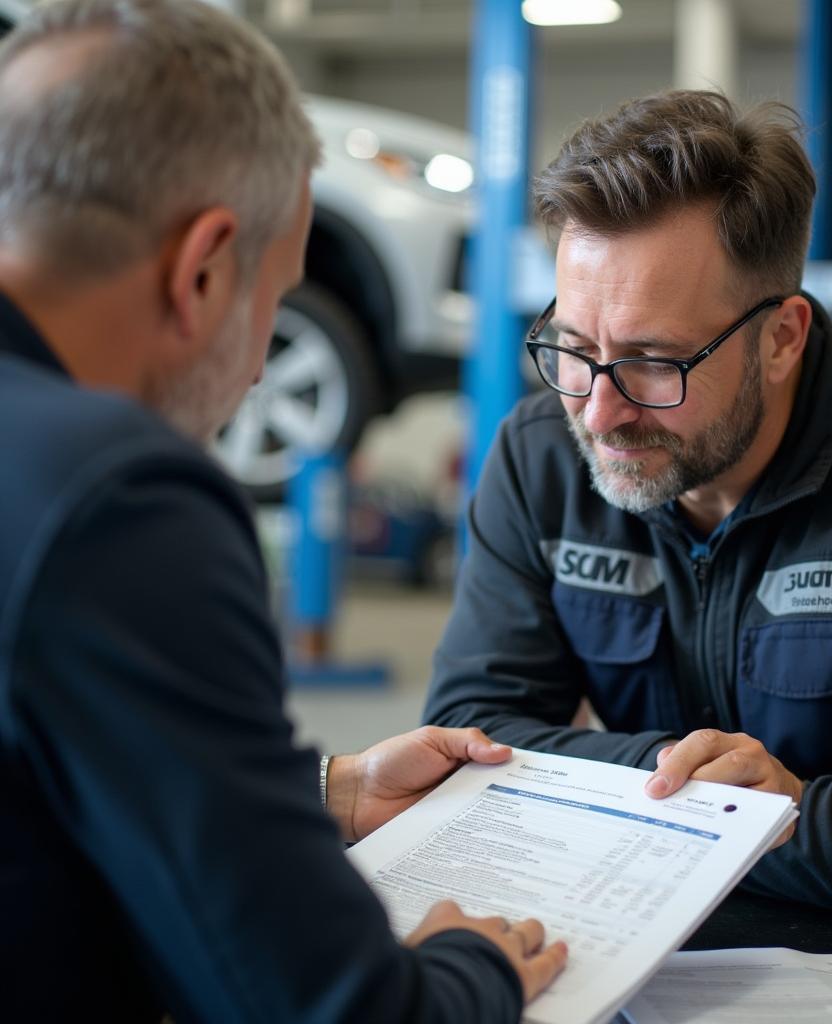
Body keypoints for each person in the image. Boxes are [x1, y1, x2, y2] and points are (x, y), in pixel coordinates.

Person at [0, 1, 566, 1021]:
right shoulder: (117, 495)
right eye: (279, 296)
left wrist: (325, 791)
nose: (263, 362)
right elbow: (325, 1008)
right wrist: (466, 967)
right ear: (206, 267)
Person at [424, 89, 832, 928]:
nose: (598, 413)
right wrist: (691, 782)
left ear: (781, 339)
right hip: (653, 929)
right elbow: (461, 745)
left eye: (652, 362)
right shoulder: (539, 457)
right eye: (574, 347)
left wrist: (581, 783)